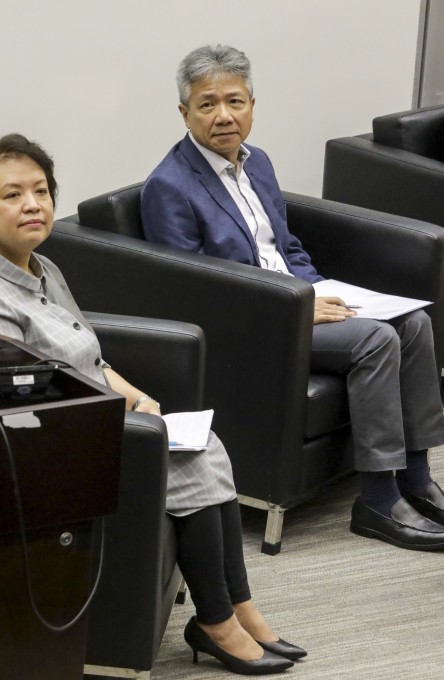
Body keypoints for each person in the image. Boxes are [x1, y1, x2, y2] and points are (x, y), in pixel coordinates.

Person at [0, 133, 302, 675]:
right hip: (51, 446)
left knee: (206, 445)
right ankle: (216, 622)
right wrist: (120, 418)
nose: (33, 205)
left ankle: (239, 608)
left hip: (102, 419)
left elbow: (90, 357)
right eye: (13, 195)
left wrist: (136, 396)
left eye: (41, 191)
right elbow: (19, 406)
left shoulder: (42, 268)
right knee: (191, 461)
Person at [140, 44, 444, 552]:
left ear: (252, 105)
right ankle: (377, 501)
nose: (223, 116)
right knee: (375, 340)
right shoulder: (168, 187)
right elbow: (193, 290)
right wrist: (298, 311)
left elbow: (286, 248)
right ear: (185, 113)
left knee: (414, 324)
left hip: (299, 299)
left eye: (234, 102)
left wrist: (322, 290)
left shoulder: (257, 163)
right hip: (256, 324)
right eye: (207, 104)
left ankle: (416, 479)